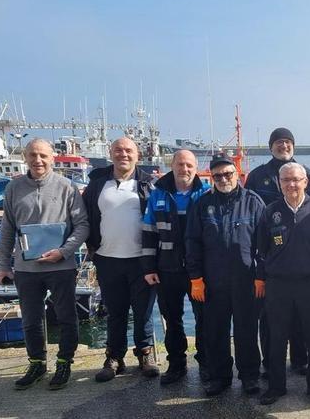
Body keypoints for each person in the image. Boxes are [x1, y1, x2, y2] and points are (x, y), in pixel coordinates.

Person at [0, 138, 89, 390]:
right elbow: (7, 229)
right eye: (33, 155)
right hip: (27, 269)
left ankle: (64, 361)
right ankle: (37, 362)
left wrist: (64, 251)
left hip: (61, 266)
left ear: (53, 158)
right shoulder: (13, 188)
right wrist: (3, 265)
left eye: (43, 156)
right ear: (25, 157)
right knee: (31, 319)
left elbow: (82, 226)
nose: (38, 160)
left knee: (67, 316)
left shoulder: (67, 187)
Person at [255, 163, 310, 405]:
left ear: (305, 182)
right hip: (278, 285)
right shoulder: (270, 212)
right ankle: (276, 387)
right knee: (277, 338)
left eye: (296, 179)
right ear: (280, 183)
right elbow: (261, 248)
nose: (291, 184)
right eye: (286, 180)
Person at [185, 155, 264, 396]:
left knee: (247, 331)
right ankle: (220, 377)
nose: (223, 179)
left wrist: (261, 275)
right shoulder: (202, 204)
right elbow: (192, 242)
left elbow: (265, 245)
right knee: (215, 331)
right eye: (217, 176)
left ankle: (250, 376)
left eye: (227, 174)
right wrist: (195, 278)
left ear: (237, 174)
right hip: (213, 282)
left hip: (245, 280)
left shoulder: (253, 202)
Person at [84, 137, 158, 382]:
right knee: (115, 312)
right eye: (118, 150)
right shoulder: (97, 184)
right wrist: (91, 248)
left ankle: (145, 354)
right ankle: (114, 357)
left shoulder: (148, 184)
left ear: (137, 155)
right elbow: (85, 219)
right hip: (107, 259)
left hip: (141, 260)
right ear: (110, 153)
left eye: (128, 151)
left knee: (143, 312)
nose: (123, 154)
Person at [246, 127, 310, 375]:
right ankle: (270, 363)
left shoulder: (307, 174)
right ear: (270, 147)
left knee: (299, 314)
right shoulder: (256, 176)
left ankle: (300, 359)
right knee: (269, 316)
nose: (283, 146)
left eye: (287, 142)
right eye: (278, 142)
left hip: (300, 254)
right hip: (269, 255)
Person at [140, 150, 210, 385]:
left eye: (190, 165)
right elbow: (149, 233)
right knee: (173, 320)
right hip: (167, 268)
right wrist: (149, 267)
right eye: (180, 164)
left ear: (196, 167)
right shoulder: (158, 193)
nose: (185, 169)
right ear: (172, 165)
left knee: (203, 318)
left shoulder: (206, 193)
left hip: (198, 271)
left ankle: (206, 363)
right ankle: (177, 364)